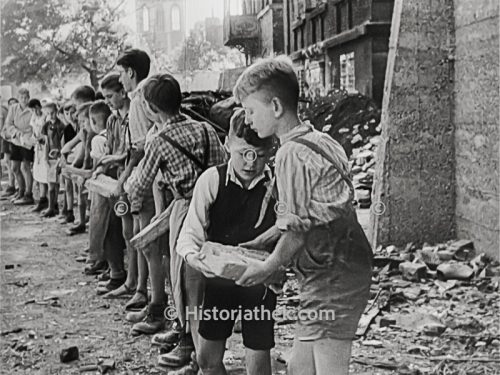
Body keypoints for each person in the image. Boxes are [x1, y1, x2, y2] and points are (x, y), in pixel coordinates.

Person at [233, 56, 373, 375]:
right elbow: (309, 217)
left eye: (252, 111)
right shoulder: (321, 140)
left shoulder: (290, 154)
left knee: (329, 368)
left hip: (333, 276)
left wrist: (268, 267)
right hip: (340, 266)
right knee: (298, 368)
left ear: (277, 107)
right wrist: (259, 241)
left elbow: (296, 232)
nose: (249, 120)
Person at [123, 73, 227, 368]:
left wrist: (127, 191)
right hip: (215, 208)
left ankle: (189, 347)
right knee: (206, 282)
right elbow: (222, 169)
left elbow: (138, 185)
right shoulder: (206, 128)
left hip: (184, 210)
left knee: (182, 280)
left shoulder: (159, 140)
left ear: (151, 109)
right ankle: (189, 337)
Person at [176, 109, 277, 375]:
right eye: (243, 152)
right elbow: (189, 233)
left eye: (260, 155)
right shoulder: (212, 179)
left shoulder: (278, 184)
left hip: (260, 282)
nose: (250, 162)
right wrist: (193, 257)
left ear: (271, 149)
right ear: (228, 143)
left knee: (258, 362)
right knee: (207, 361)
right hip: (218, 281)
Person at [111, 49, 155, 312]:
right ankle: (136, 285)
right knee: (137, 233)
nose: (121, 79)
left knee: (143, 236)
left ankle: (143, 291)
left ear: (131, 72)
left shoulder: (139, 100)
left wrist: (125, 177)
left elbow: (140, 148)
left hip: (145, 177)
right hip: (146, 175)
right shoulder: (144, 96)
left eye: (121, 73)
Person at [86, 99, 127, 291]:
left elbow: (103, 161)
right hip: (116, 182)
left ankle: (117, 272)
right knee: (116, 229)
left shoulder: (98, 138)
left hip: (112, 186)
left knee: (111, 228)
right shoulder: (115, 121)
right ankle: (115, 271)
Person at [4, 89, 35, 205]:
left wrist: (26, 134)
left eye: (26, 97)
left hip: (27, 140)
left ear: (29, 97)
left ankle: (28, 194)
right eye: (21, 97)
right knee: (15, 168)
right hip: (16, 139)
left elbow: (33, 126)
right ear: (18, 98)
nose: (24, 100)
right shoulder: (13, 108)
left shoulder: (31, 109)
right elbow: (8, 123)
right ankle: (20, 191)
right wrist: (16, 132)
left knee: (26, 167)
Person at [41, 102, 65, 217]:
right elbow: (46, 142)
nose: (51, 115)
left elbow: (63, 143)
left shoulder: (61, 126)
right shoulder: (46, 126)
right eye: (49, 113)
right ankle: (51, 207)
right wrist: (45, 157)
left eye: (53, 113)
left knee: (57, 183)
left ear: (57, 111)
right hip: (50, 157)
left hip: (58, 157)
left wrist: (61, 156)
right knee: (50, 183)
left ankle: (55, 206)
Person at [28, 99, 49, 212]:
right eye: (32, 110)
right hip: (38, 147)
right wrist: (33, 139)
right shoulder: (33, 118)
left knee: (47, 173)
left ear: (38, 107)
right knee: (38, 173)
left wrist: (42, 138)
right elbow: (33, 131)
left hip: (46, 146)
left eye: (35, 109)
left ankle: (51, 201)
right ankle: (42, 199)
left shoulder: (46, 116)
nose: (34, 112)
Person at [0, 97, 19, 199]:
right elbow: (3, 130)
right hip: (7, 141)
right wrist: (4, 134)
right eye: (10, 104)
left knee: (15, 166)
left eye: (14, 103)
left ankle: (16, 187)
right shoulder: (9, 114)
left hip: (15, 142)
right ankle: (11, 185)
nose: (12, 106)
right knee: (8, 163)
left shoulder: (18, 115)